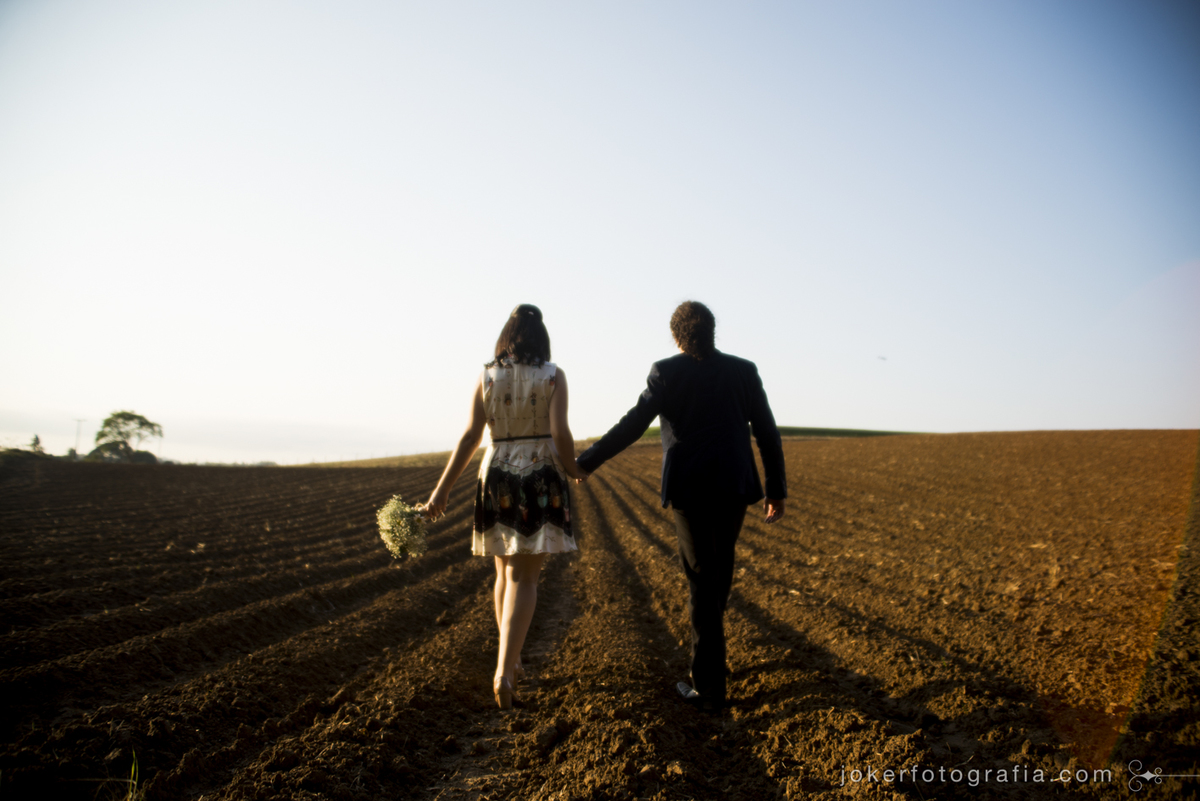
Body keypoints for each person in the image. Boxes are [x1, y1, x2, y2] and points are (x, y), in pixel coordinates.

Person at [575, 300, 786, 712]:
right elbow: (767, 431)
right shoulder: (744, 370)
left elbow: (634, 424)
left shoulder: (666, 372)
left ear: (676, 335)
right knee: (717, 572)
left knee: (701, 579)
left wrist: (588, 461)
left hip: (690, 489)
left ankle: (708, 687)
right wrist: (776, 488)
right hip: (733, 485)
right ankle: (713, 660)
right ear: (712, 330)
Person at [424, 304, 587, 710]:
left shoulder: (486, 376)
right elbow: (560, 432)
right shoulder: (553, 376)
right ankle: (504, 670)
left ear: (506, 337)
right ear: (541, 339)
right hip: (537, 474)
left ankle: (510, 662)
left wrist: (441, 491)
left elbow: (469, 438)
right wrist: (574, 469)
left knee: (502, 572)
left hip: (495, 473)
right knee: (524, 579)